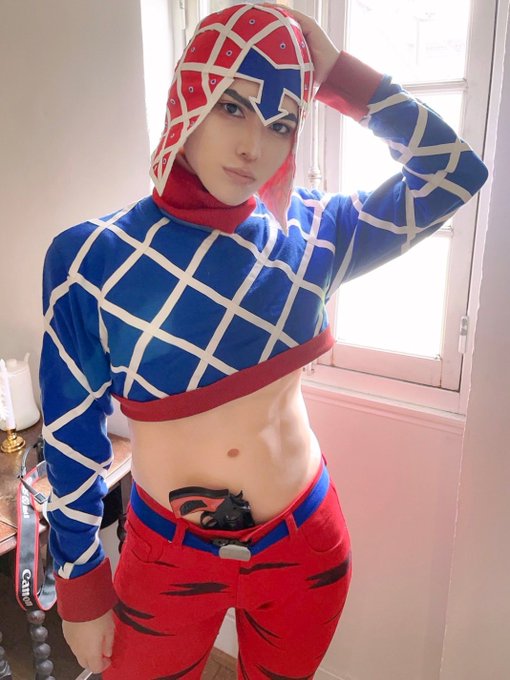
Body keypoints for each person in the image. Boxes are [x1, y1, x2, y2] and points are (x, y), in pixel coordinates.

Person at [39, 3, 488, 679]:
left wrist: (342, 75)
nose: (256, 146)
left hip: (305, 547)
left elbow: (453, 172)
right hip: (167, 557)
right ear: (190, 96)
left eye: (282, 122)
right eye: (233, 106)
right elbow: (72, 433)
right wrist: (80, 584)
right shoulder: (94, 260)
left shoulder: (312, 233)